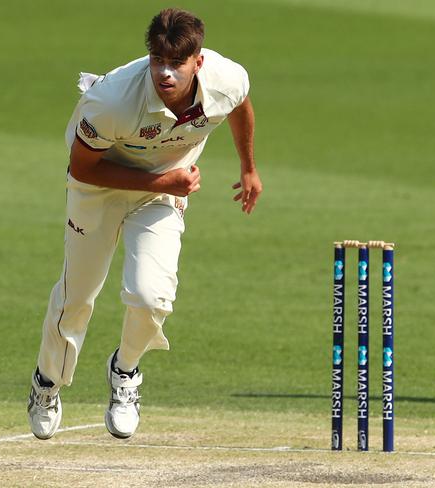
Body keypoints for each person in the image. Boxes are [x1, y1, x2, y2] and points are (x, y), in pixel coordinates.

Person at [27, 7, 262, 440]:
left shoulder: (226, 78)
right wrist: (165, 178)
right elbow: (81, 170)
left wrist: (248, 168)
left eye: (176, 63)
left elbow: (240, 103)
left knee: (152, 295)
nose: (166, 73)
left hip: (161, 195)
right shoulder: (112, 101)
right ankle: (47, 383)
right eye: (158, 60)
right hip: (98, 190)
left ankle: (126, 372)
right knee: (78, 297)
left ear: (199, 62)